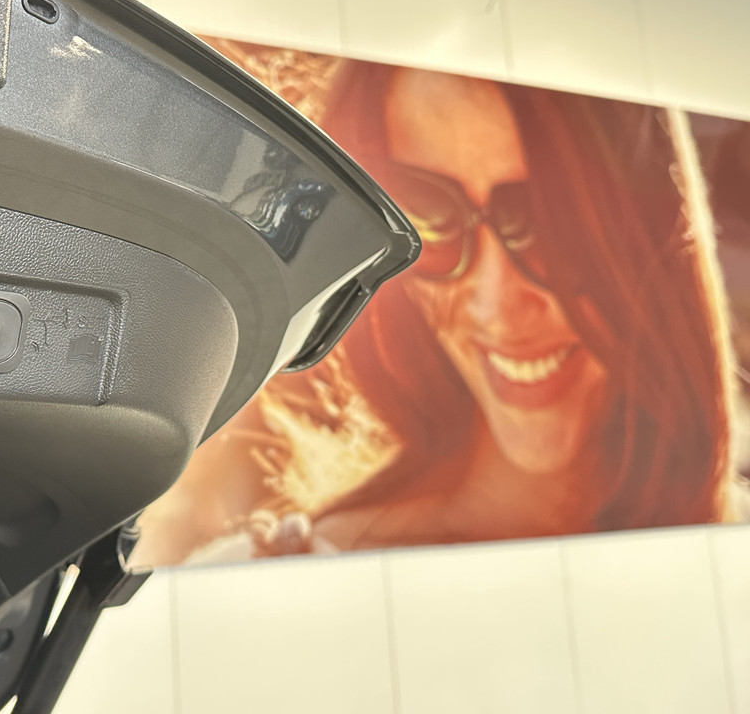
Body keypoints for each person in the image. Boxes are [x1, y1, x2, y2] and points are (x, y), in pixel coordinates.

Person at [133, 57, 740, 566]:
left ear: (646, 227)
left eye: (545, 220)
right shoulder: (279, 584)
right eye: (430, 213)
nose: (495, 303)